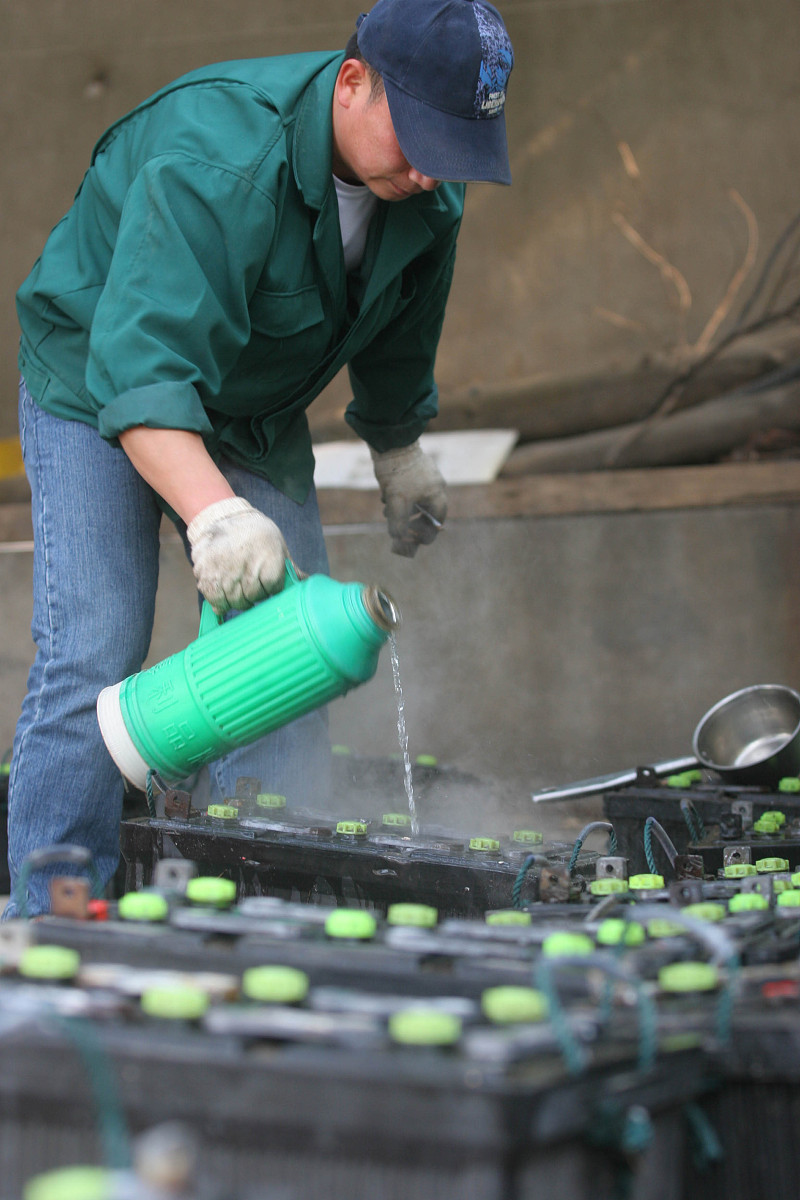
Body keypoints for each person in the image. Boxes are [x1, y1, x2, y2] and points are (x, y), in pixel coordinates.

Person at [5, 0, 514, 917]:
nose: (434, 166)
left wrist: (398, 446)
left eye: (457, 146)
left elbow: (405, 324)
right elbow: (142, 370)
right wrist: (218, 514)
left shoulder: (429, 181)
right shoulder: (218, 155)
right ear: (353, 81)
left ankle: (254, 918)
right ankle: (49, 918)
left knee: (290, 664)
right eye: (422, 137)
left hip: (249, 402)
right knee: (94, 654)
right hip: (95, 380)